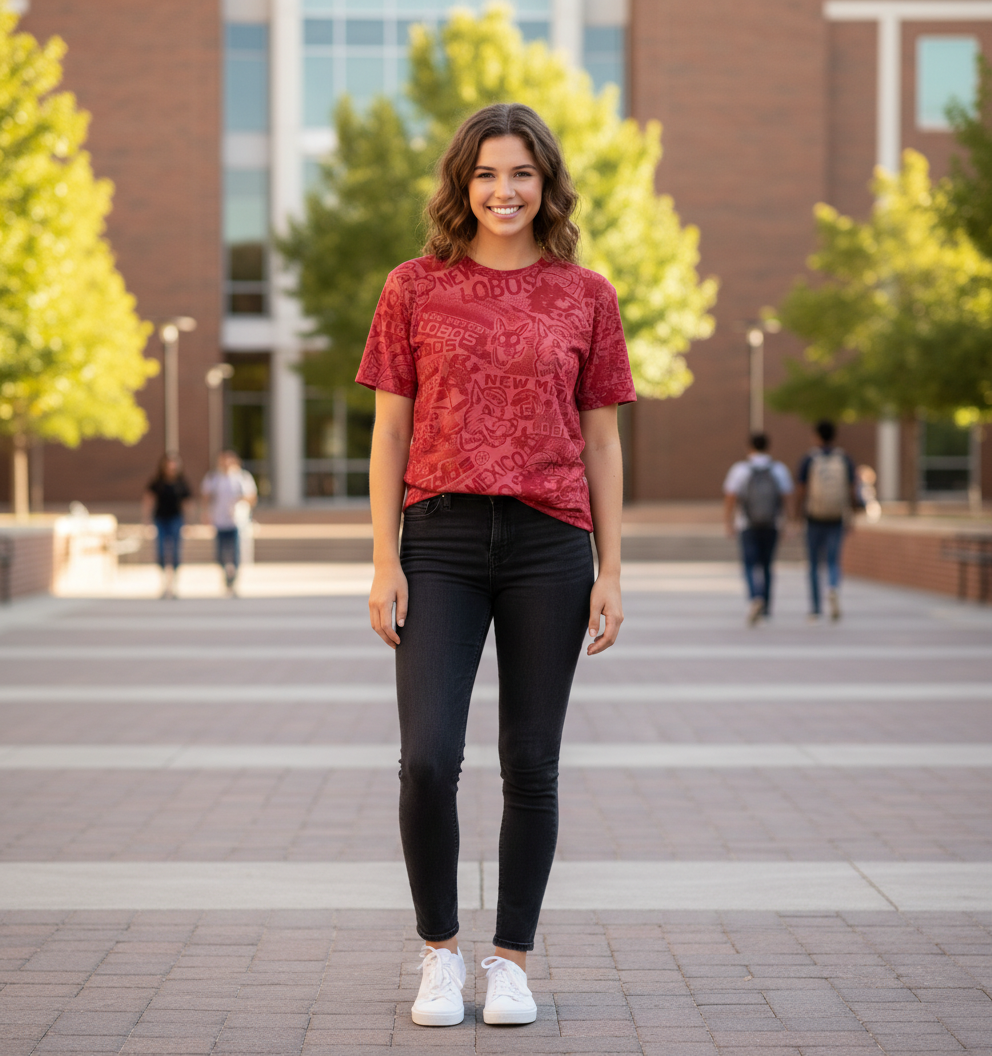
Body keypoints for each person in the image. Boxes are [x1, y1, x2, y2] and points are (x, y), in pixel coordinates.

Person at [358, 103, 634, 1029]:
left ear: (547, 183)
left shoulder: (586, 294)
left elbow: (603, 442)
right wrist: (382, 561)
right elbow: (389, 429)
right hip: (434, 538)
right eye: (485, 173)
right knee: (429, 758)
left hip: (549, 544)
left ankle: (511, 957)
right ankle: (440, 952)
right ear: (461, 184)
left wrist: (612, 568)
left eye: (521, 173)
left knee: (532, 762)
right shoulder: (412, 287)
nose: (503, 190)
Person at [723, 434, 793, 625]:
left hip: (747, 524)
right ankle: (767, 606)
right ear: (768, 447)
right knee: (767, 566)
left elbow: (731, 497)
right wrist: (789, 523)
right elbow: (787, 498)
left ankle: (755, 597)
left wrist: (728, 522)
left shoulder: (740, 470)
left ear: (749, 447)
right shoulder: (779, 469)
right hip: (772, 523)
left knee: (749, 564)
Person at [795, 420, 857, 621]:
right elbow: (852, 489)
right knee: (833, 560)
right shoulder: (844, 458)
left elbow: (801, 489)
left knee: (813, 563)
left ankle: (815, 609)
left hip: (814, 516)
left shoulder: (809, 459)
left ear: (816, 436)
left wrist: (798, 514)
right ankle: (833, 587)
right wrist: (851, 514)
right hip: (837, 516)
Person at [201, 451, 257, 596]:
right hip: (219, 521)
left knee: (236, 553)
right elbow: (206, 497)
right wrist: (206, 514)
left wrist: (240, 502)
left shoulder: (242, 478)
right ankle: (226, 575)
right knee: (220, 553)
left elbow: (252, 497)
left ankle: (233, 579)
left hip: (236, 521)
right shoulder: (213, 478)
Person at [141, 452, 192, 599]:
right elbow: (148, 500)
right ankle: (164, 582)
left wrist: (188, 522)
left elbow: (187, 503)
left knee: (175, 551)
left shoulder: (181, 483)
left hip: (176, 519)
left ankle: (174, 583)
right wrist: (146, 519)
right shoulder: (157, 482)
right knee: (161, 551)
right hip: (160, 519)